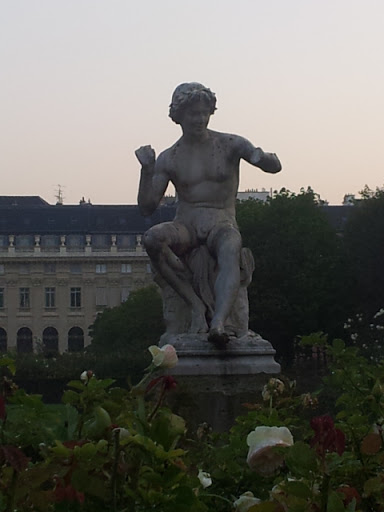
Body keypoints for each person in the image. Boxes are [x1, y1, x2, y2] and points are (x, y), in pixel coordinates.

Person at [136, 82, 281, 344]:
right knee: (152, 239)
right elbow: (147, 207)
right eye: (193, 113)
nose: (200, 119)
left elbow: (272, 165)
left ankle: (219, 322)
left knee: (231, 245)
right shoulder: (170, 157)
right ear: (177, 116)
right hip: (187, 225)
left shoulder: (230, 144)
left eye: (205, 112)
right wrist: (146, 170)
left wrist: (263, 159)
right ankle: (195, 304)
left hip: (221, 221)